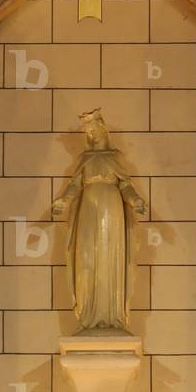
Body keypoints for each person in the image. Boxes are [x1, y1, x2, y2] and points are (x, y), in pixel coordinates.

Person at [52, 109, 146, 334]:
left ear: (103, 128)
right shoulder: (84, 159)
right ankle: (89, 315)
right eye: (88, 131)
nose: (92, 134)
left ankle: (113, 317)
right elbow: (75, 185)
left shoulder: (114, 158)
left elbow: (125, 184)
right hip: (88, 211)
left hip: (111, 211)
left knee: (109, 257)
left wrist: (135, 200)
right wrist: (64, 201)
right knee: (87, 258)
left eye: (94, 129)